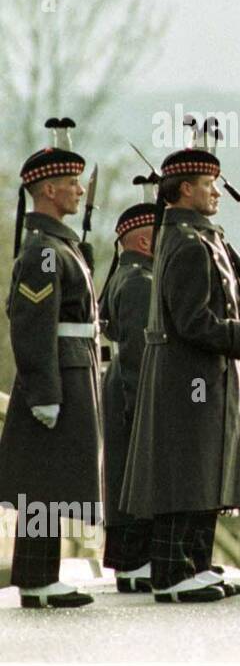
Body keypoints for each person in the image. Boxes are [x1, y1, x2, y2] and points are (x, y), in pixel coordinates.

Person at [120, 118, 240, 603]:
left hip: (206, 373)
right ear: (185, 188)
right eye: (209, 185)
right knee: (186, 471)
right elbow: (194, 323)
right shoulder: (190, 245)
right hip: (188, 374)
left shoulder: (199, 238)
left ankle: (194, 562)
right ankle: (173, 573)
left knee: (205, 468)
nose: (216, 193)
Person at [0, 118, 102, 608]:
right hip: (58, 374)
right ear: (47, 189)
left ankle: (42, 579)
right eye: (71, 183)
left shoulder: (58, 246)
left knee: (54, 480)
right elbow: (30, 326)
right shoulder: (43, 251)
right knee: (42, 482)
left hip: (71, 370)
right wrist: (44, 392)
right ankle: (38, 579)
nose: (80, 190)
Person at [98, 188, 160, 592]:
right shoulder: (139, 281)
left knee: (128, 472)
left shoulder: (129, 274)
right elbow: (138, 349)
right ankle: (134, 563)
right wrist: (144, 404)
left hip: (123, 381)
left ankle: (133, 561)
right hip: (131, 385)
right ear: (142, 239)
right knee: (135, 473)